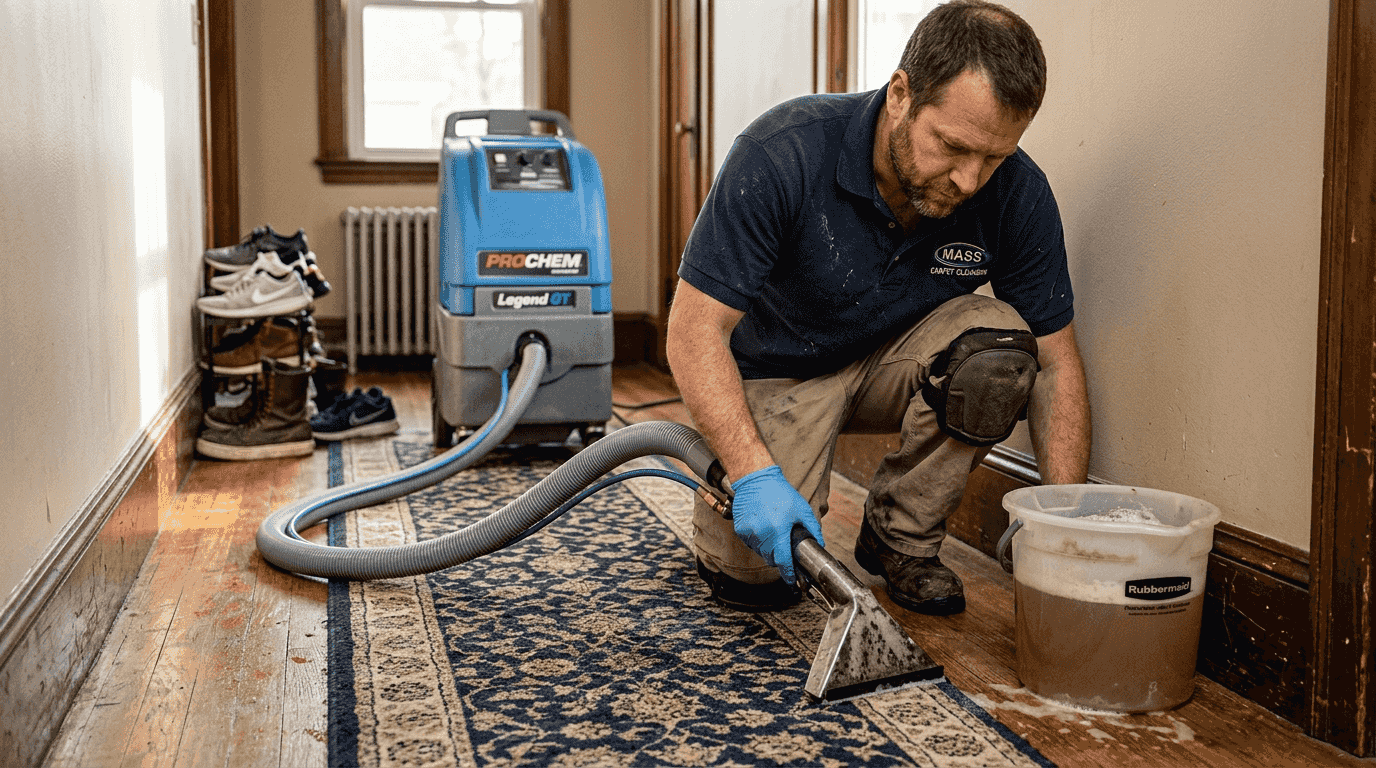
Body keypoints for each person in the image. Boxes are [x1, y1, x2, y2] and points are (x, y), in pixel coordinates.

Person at [665, 0, 1091, 616]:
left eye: (994, 157)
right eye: (952, 146)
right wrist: (752, 473)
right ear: (900, 95)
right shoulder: (781, 152)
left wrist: (1064, 525)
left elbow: (1056, 364)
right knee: (759, 575)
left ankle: (900, 538)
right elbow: (693, 331)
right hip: (776, 375)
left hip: (891, 367)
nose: (970, 180)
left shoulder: (1017, 192)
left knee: (999, 347)